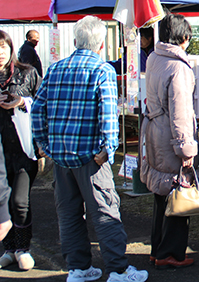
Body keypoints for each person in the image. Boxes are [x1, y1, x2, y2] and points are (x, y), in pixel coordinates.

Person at [31, 16, 148, 282]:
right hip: (91, 158)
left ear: (75, 41)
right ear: (101, 44)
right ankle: (117, 269)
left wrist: (45, 144)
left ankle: (78, 268)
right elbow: (108, 113)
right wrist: (109, 146)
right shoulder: (101, 69)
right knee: (105, 211)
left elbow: (38, 109)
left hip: (61, 157)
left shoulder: (56, 68)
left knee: (69, 214)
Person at [140, 14, 199, 270]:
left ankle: (157, 249)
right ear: (182, 37)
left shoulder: (154, 58)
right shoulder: (178, 66)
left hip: (154, 129)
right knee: (178, 191)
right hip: (171, 135)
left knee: (160, 194)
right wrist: (186, 148)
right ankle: (170, 252)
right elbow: (181, 112)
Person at [0, 30, 41, 271]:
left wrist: (21, 102)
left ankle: (23, 248)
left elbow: (43, 102)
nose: (0, 52)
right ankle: (9, 248)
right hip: (1, 152)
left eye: (3, 47)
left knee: (19, 201)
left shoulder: (27, 73)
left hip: (24, 149)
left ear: (10, 48)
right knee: (2, 202)